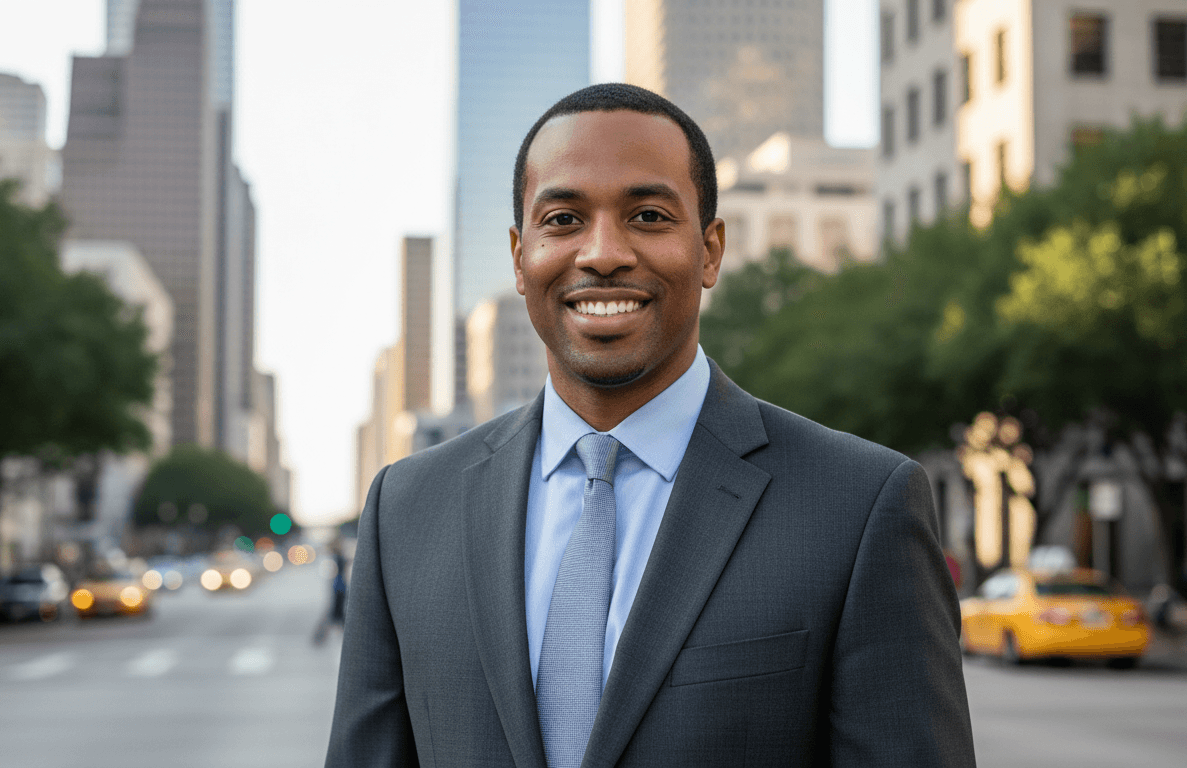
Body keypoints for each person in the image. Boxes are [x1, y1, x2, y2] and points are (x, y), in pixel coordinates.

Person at [326, 84, 975, 767]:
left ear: (710, 251)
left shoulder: (860, 505)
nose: (603, 252)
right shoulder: (406, 510)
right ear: (520, 257)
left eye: (648, 215)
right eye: (563, 219)